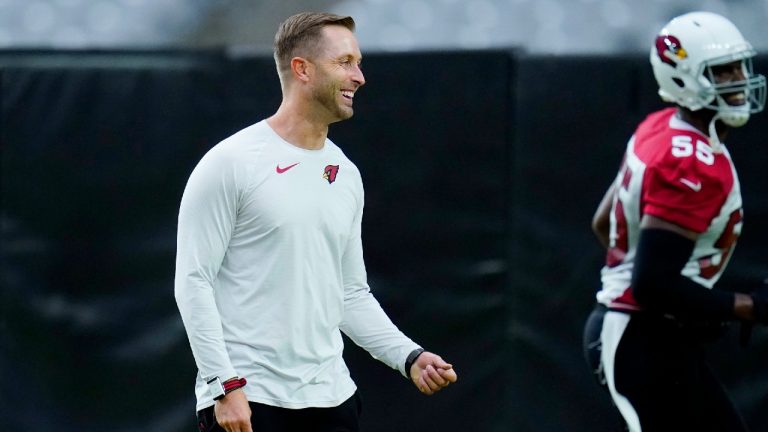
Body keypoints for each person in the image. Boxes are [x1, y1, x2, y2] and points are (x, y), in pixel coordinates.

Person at [174, 12, 457, 432]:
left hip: (333, 401)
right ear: (302, 69)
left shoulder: (345, 173)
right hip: (250, 402)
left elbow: (349, 293)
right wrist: (224, 387)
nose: (359, 77)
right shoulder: (230, 163)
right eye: (345, 62)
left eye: (358, 63)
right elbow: (193, 282)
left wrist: (409, 356)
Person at [583, 11, 768, 432]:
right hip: (639, 336)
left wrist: (688, 303)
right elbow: (652, 284)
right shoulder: (691, 161)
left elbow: (602, 222)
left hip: (654, 333)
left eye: (740, 66)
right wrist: (748, 307)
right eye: (722, 73)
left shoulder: (661, 126)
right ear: (683, 78)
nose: (739, 81)